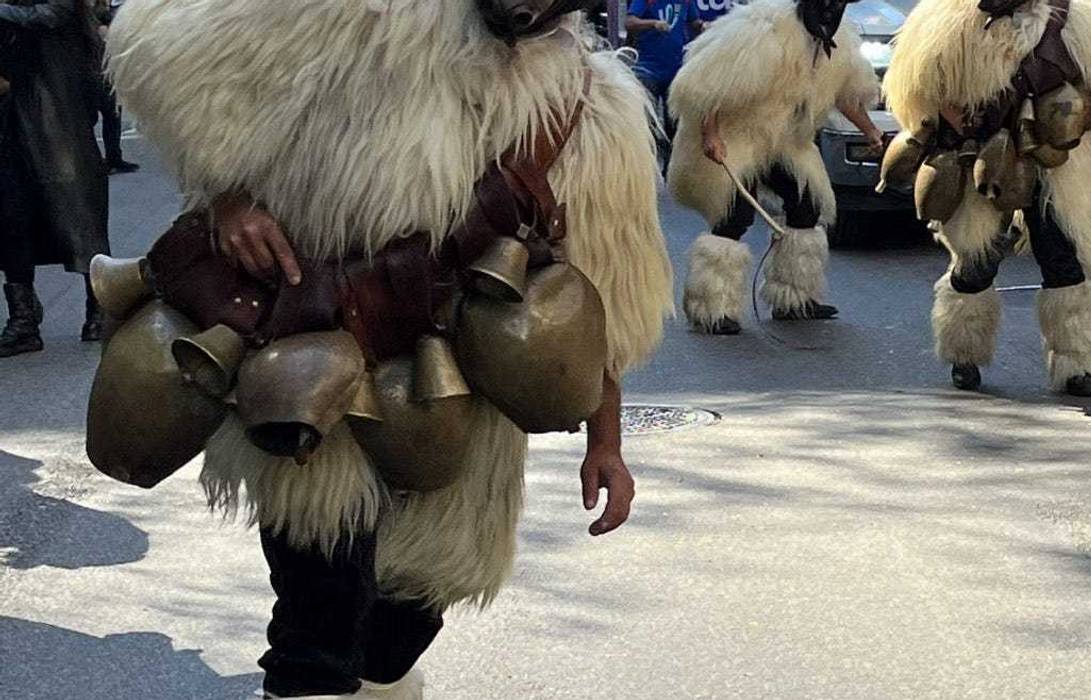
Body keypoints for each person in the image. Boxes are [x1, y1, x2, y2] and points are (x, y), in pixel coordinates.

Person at [104, 0, 674, 697]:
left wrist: (605, 443)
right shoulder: (367, 15)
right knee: (318, 625)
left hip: (460, 395)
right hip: (309, 374)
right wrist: (226, 197)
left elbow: (603, 296)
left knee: (408, 614)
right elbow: (164, 38)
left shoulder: (592, 110)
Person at [882, 0, 1091, 396]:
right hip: (979, 156)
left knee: (1063, 254)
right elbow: (921, 91)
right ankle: (964, 351)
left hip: (1061, 163)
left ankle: (1077, 363)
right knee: (977, 259)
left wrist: (1069, 117)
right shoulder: (947, 22)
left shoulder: (1087, 23)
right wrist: (962, 122)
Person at [668, 0, 881, 335]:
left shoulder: (841, 43)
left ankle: (795, 298)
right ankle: (712, 306)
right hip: (737, 135)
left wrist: (869, 129)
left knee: (808, 206)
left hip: (786, 141)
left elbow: (844, 94)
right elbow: (708, 84)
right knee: (733, 216)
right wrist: (710, 133)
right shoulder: (761, 29)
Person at [0, 0, 109, 358]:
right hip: (13, 111)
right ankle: (23, 320)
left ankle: (99, 307)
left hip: (56, 111)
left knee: (80, 214)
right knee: (10, 216)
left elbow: (51, 14)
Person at [626, 0, 703, 168]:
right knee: (646, 124)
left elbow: (694, 22)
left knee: (674, 125)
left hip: (675, 70)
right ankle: (645, 168)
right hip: (647, 69)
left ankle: (670, 170)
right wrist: (652, 23)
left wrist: (704, 26)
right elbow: (630, 22)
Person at [94, 0, 138, 174]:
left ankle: (113, 157)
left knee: (112, 112)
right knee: (93, 116)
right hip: (90, 64)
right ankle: (105, 159)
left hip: (103, 63)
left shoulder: (101, 8)